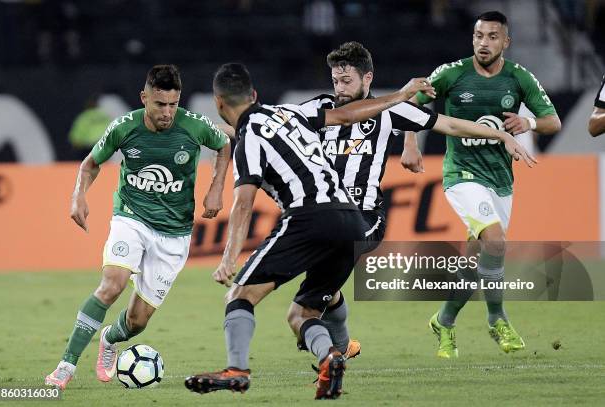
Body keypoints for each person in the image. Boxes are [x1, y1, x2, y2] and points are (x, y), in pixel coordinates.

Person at [183, 63, 534, 399]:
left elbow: (244, 203)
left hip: (308, 216)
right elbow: (347, 115)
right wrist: (402, 95)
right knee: (302, 313)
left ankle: (237, 370)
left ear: (218, 103)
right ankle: (331, 357)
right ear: (255, 94)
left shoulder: (251, 138)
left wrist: (228, 259)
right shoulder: (288, 113)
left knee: (240, 297)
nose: (339, 87)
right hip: (350, 220)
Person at [300, 41, 540, 361]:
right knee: (323, 287)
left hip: (363, 216)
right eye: (335, 81)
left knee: (305, 306)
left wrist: (502, 135)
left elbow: (449, 124)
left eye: (347, 81)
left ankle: (329, 348)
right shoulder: (319, 108)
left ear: (367, 79)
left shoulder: (390, 110)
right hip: (322, 215)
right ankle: (343, 344)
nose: (340, 89)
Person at [44, 64, 232, 390]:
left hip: (174, 233)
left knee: (137, 320)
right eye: (160, 104)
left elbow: (223, 145)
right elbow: (91, 163)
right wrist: (78, 196)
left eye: (173, 104)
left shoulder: (194, 126)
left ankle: (109, 338)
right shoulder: (124, 127)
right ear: (144, 98)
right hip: (131, 217)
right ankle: (65, 367)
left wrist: (216, 187)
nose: (167, 112)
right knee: (111, 284)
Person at [402, 11, 561, 358]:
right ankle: (497, 318)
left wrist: (528, 122)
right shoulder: (451, 73)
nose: (483, 43)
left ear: (506, 42)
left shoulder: (519, 78)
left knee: (476, 258)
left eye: (492, 37)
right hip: (461, 174)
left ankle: (444, 320)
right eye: (478, 36)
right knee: (495, 239)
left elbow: (553, 121)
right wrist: (410, 143)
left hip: (501, 179)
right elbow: (411, 108)